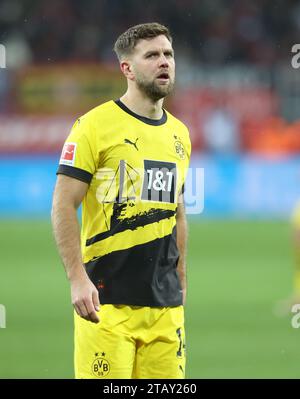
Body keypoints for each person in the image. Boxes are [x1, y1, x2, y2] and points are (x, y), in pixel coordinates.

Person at [51, 22, 191, 379]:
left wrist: (181, 278)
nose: (164, 62)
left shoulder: (180, 134)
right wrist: (76, 279)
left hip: (165, 309)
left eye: (168, 54)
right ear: (126, 68)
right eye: (152, 55)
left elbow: (177, 210)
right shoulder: (93, 126)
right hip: (107, 304)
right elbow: (64, 204)